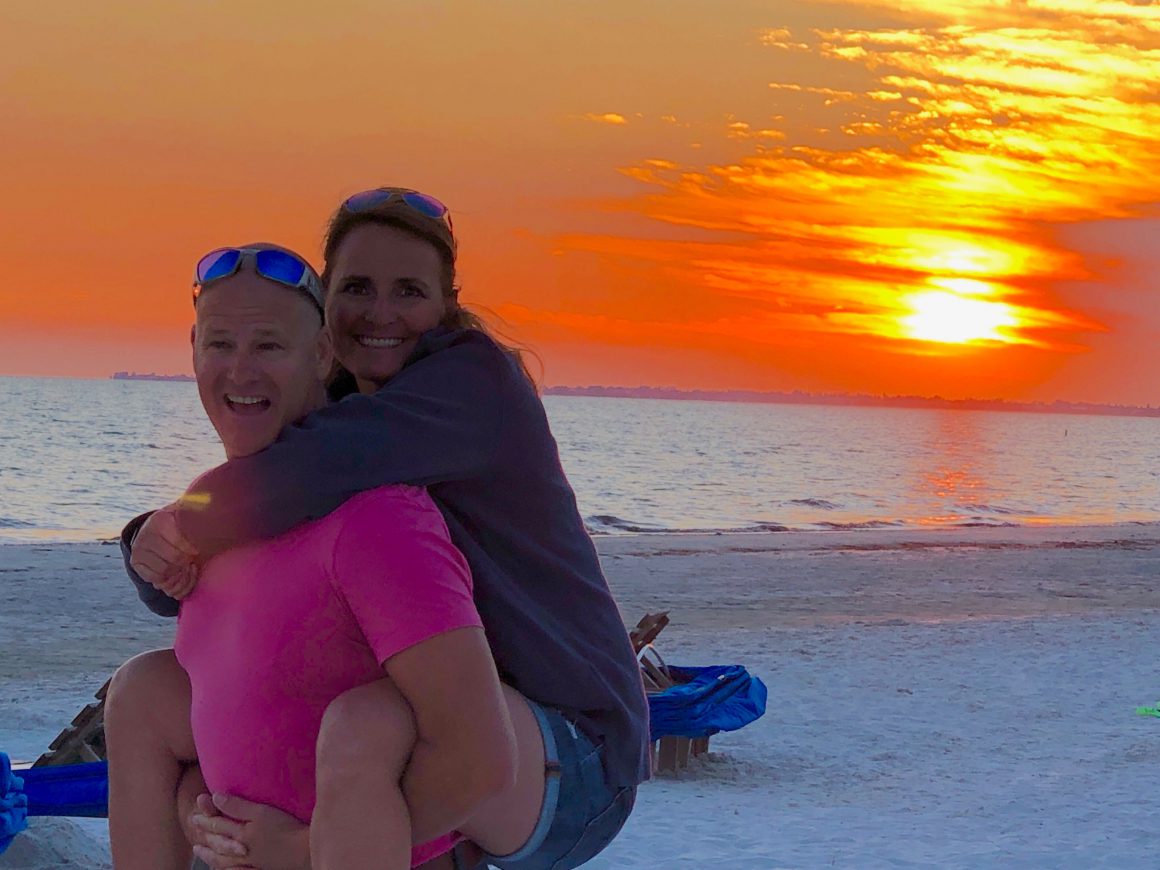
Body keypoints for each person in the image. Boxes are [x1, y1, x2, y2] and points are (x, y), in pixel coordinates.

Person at [117, 188, 649, 870]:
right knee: (162, 709)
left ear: (447, 301)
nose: (381, 313)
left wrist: (301, 849)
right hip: (457, 702)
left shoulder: (470, 386)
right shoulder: (340, 407)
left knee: (365, 731)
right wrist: (149, 546)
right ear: (328, 305)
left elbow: (296, 475)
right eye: (358, 288)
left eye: (409, 291)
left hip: (570, 744)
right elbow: (238, 538)